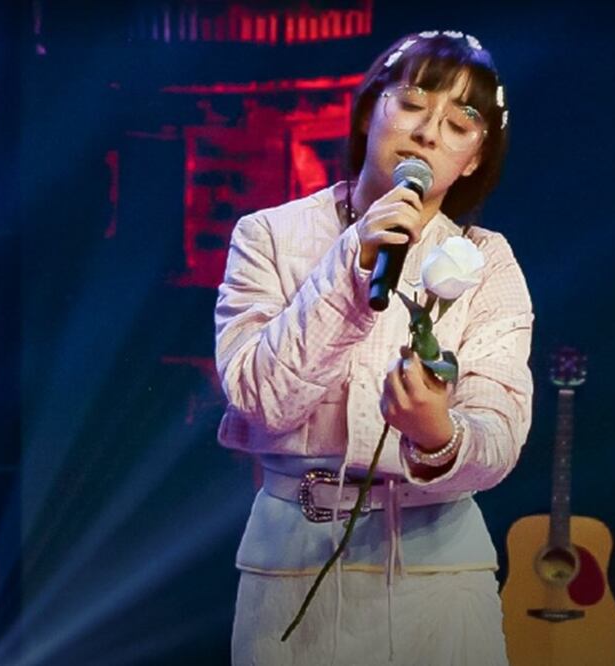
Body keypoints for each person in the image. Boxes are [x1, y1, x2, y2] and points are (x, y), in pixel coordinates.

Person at [215, 29, 533, 665]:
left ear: (473, 159)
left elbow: (499, 438)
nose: (428, 131)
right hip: (291, 568)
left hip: (439, 579)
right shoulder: (269, 236)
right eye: (413, 102)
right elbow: (259, 399)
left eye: (459, 122)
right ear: (369, 111)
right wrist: (352, 263)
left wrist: (437, 432)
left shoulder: (486, 261)